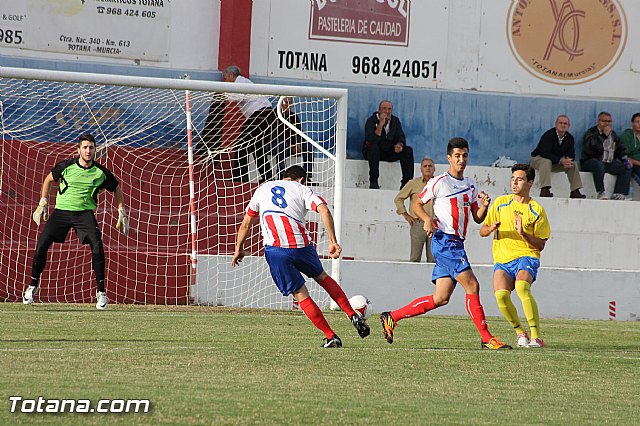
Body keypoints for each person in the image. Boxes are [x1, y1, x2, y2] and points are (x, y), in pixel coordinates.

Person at [379, 137, 512, 350]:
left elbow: (477, 218)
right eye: (457, 156)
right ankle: (487, 338)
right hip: (445, 241)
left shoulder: (471, 184)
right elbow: (417, 203)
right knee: (473, 285)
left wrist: (485, 206)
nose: (461, 160)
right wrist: (427, 219)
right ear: (449, 158)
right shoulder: (439, 182)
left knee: (440, 298)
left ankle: (391, 317)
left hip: (457, 242)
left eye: (465, 155)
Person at [231, 165, 370, 348]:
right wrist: (332, 241)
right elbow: (324, 210)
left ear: (284, 177)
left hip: (275, 250)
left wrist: (238, 249)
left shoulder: (262, 189)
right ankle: (352, 315)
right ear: (301, 179)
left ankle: (331, 336)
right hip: (301, 245)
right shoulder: (302, 189)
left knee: (300, 293)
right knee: (322, 277)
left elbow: (245, 224)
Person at [23, 133, 129, 310]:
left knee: (97, 245)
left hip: (84, 214)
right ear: (78, 150)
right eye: (85, 147)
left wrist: (122, 211)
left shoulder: (101, 172)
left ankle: (101, 293)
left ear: (96, 150)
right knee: (42, 244)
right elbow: (48, 179)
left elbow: (116, 188)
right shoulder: (66, 166)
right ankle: (32, 287)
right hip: (61, 212)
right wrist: (42, 203)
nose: (88, 150)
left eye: (91, 147)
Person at [480, 164, 550, 348]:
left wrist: (523, 234)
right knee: (501, 296)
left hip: (527, 256)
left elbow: (541, 244)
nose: (514, 183)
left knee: (521, 287)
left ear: (530, 183)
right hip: (503, 259)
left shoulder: (536, 210)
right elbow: (483, 230)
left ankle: (536, 336)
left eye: (519, 179)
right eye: (513, 179)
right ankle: (520, 332)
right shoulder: (501, 203)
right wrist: (491, 228)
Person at [222, 65, 276, 183]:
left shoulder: (240, 82)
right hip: (265, 115)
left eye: (225, 79)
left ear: (231, 75)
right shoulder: (245, 82)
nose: (224, 82)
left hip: (259, 115)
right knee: (257, 148)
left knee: (240, 144)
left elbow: (234, 98)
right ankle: (268, 176)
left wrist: (221, 93)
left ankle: (240, 177)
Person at [530, 115, 585, 198]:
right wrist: (560, 160)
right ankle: (545, 189)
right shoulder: (548, 135)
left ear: (568, 126)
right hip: (538, 159)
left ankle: (575, 191)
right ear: (556, 124)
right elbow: (545, 153)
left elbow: (571, 154)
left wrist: (567, 161)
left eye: (565, 123)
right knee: (546, 161)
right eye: (560, 123)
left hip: (554, 163)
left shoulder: (569, 138)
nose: (563, 125)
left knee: (572, 164)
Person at [362, 100, 414, 189]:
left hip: (389, 151)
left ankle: (406, 184)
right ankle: (374, 182)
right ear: (379, 110)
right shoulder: (371, 121)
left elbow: (400, 136)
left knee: (408, 150)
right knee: (373, 148)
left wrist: (399, 145)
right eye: (384, 109)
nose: (387, 111)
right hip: (374, 151)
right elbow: (372, 139)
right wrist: (381, 124)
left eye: (389, 109)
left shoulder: (395, 121)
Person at [580, 112, 631, 200]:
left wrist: (625, 158)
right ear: (598, 121)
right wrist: (604, 135)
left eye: (609, 121)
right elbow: (592, 148)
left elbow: (621, 148)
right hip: (590, 162)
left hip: (608, 163)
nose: (607, 123)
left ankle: (619, 193)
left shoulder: (613, 134)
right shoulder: (591, 132)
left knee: (627, 166)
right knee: (598, 165)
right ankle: (601, 192)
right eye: (604, 121)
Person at [393, 157, 436, 262]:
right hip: (418, 224)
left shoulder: (438, 183)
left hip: (435, 224)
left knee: (434, 259)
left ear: (434, 168)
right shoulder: (413, 183)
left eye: (430, 166)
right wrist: (406, 215)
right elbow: (398, 199)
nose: (428, 168)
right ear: (421, 169)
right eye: (425, 166)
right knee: (415, 258)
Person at [272, 97, 314, 183]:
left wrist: (298, 143)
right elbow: (273, 135)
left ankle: (307, 175)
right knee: (281, 145)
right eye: (285, 102)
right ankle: (281, 174)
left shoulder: (293, 116)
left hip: (291, 145)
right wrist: (290, 144)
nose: (287, 105)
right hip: (276, 145)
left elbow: (299, 133)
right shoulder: (272, 116)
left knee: (308, 145)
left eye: (289, 103)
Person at [619, 113, 640, 188]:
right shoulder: (627, 136)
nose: (639, 124)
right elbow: (625, 156)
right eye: (637, 122)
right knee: (627, 165)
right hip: (633, 165)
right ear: (632, 123)